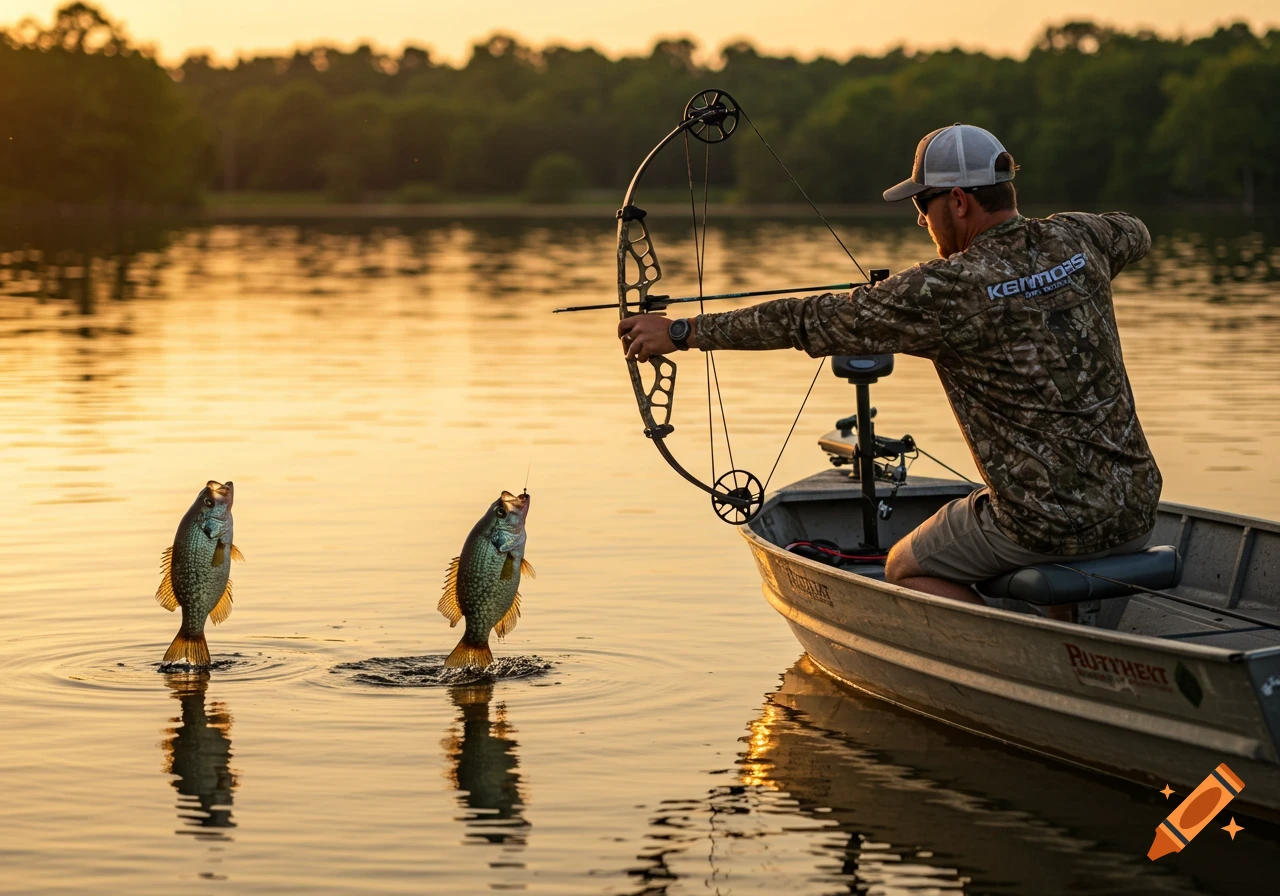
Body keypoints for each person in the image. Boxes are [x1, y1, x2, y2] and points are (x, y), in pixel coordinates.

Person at [617, 123, 1162, 613]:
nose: (922, 218)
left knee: (904, 566)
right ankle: (1073, 635)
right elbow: (1134, 230)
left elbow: (805, 320)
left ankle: (1023, 653)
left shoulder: (942, 290)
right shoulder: (1080, 238)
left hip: (1041, 527)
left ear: (958, 201)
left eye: (922, 204)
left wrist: (682, 331)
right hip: (1137, 507)